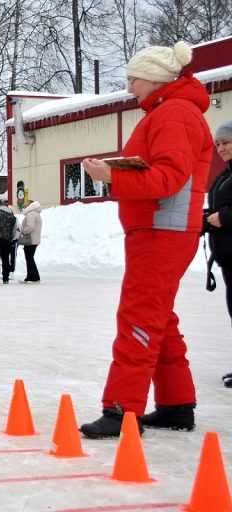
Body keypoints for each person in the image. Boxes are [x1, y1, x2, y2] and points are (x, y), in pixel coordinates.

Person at [79, 41, 212, 438]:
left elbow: (168, 179)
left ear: (153, 78)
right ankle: (176, 404)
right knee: (158, 317)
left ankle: (122, 409)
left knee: (138, 315)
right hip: (158, 229)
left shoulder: (174, 114)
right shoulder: (169, 112)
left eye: (133, 79)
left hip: (162, 230)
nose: (130, 88)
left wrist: (112, 176)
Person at [206, 120, 232, 387]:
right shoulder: (225, 174)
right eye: (218, 144)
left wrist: (223, 217)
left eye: (226, 142)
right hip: (227, 254)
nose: (221, 148)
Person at [19, 200, 42, 283]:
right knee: (29, 258)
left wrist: (22, 231)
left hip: (30, 240)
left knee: (29, 258)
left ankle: (35, 277)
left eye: (26, 205)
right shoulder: (36, 213)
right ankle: (30, 277)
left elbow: (30, 227)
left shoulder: (31, 214)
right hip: (34, 239)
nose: (24, 206)